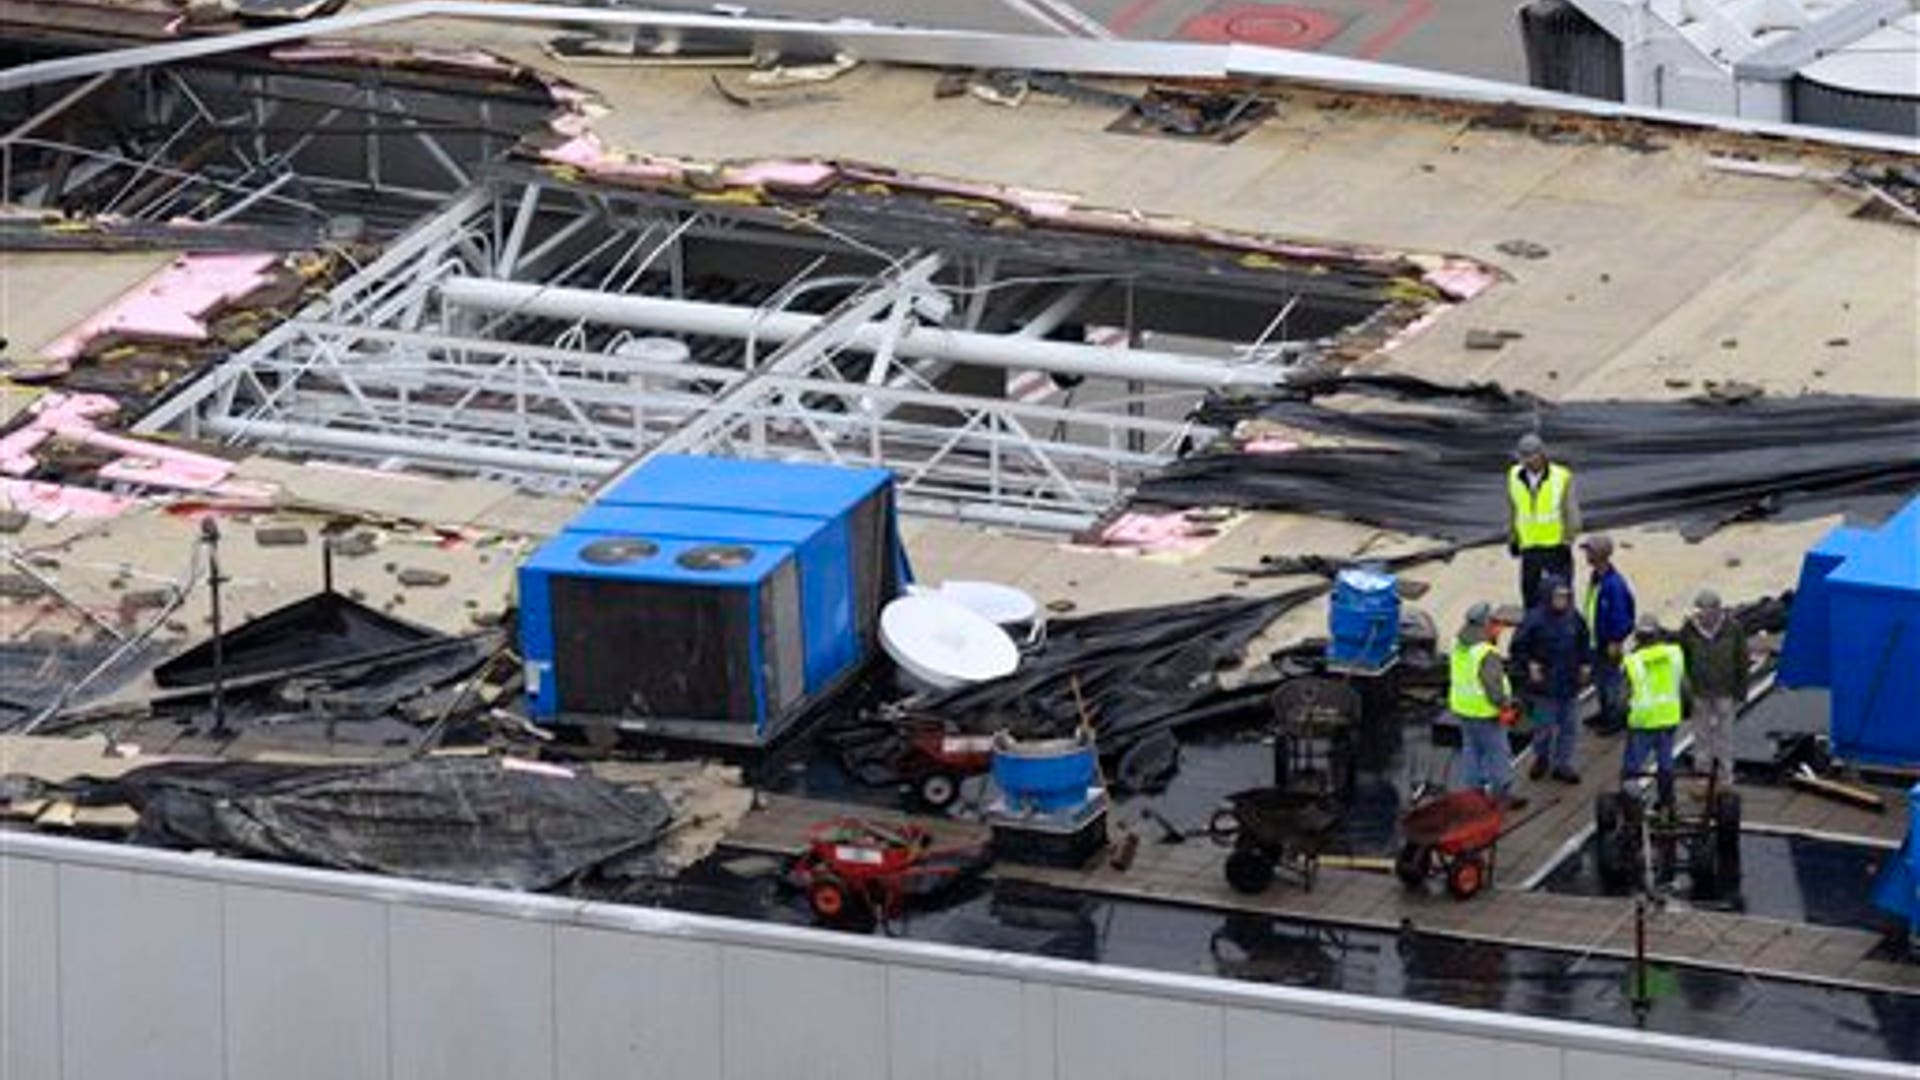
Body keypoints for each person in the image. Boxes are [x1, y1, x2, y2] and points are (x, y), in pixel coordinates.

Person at [1510, 574, 1592, 784]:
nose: (1563, 600)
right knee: (1544, 728)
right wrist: (1530, 664)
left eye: (1566, 596)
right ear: (1547, 596)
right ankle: (1541, 757)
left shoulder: (1574, 617)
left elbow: (1584, 641)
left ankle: (1562, 764)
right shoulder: (1533, 620)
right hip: (1543, 689)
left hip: (1569, 684)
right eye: (1559, 596)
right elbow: (1517, 648)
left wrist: (1585, 664)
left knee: (1569, 727)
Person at [1446, 603, 1526, 809]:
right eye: (1494, 623)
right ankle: (1502, 796)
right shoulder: (1486, 653)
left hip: (1463, 710)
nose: (1498, 628)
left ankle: (1474, 795)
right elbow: (1493, 686)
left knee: (1471, 751)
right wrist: (1506, 706)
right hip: (1486, 713)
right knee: (1498, 754)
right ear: (1486, 625)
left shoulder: (1459, 643)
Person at [1678, 589, 1748, 787]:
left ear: (1717, 609)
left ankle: (1726, 777)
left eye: (1706, 609)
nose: (1701, 614)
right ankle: (1702, 777)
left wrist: (1742, 691)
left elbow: (1741, 659)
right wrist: (1687, 689)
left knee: (1725, 736)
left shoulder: (1733, 629)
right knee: (1701, 736)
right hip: (1700, 691)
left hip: (1725, 690)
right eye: (1699, 609)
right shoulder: (1688, 630)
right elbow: (1683, 658)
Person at [1506, 433, 1582, 612]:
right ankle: (1534, 632)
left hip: (1555, 547)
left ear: (1542, 455)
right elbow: (1514, 510)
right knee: (1530, 596)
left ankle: (1565, 631)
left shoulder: (1561, 476)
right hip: (1529, 548)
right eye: (1524, 457)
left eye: (1531, 457)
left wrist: (1568, 538)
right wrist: (1513, 538)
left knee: (1561, 596)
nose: (1528, 462)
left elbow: (1571, 512)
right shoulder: (1513, 475)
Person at [1622, 615, 1687, 811]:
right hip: (1669, 718)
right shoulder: (1674, 654)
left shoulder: (1634, 661)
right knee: (1665, 763)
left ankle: (1631, 803)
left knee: (1633, 765)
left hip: (1643, 721)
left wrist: (1621, 715)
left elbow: (1624, 693)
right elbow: (1684, 686)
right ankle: (1667, 802)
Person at [1580, 534, 1636, 735]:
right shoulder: (1598, 578)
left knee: (1610, 681)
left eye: (1589, 551)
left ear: (1599, 554)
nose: (1586, 554)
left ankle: (1615, 717)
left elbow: (1621, 614)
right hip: (1596, 641)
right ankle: (1604, 712)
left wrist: (1616, 639)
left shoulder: (1613, 584)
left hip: (1607, 643)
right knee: (1600, 681)